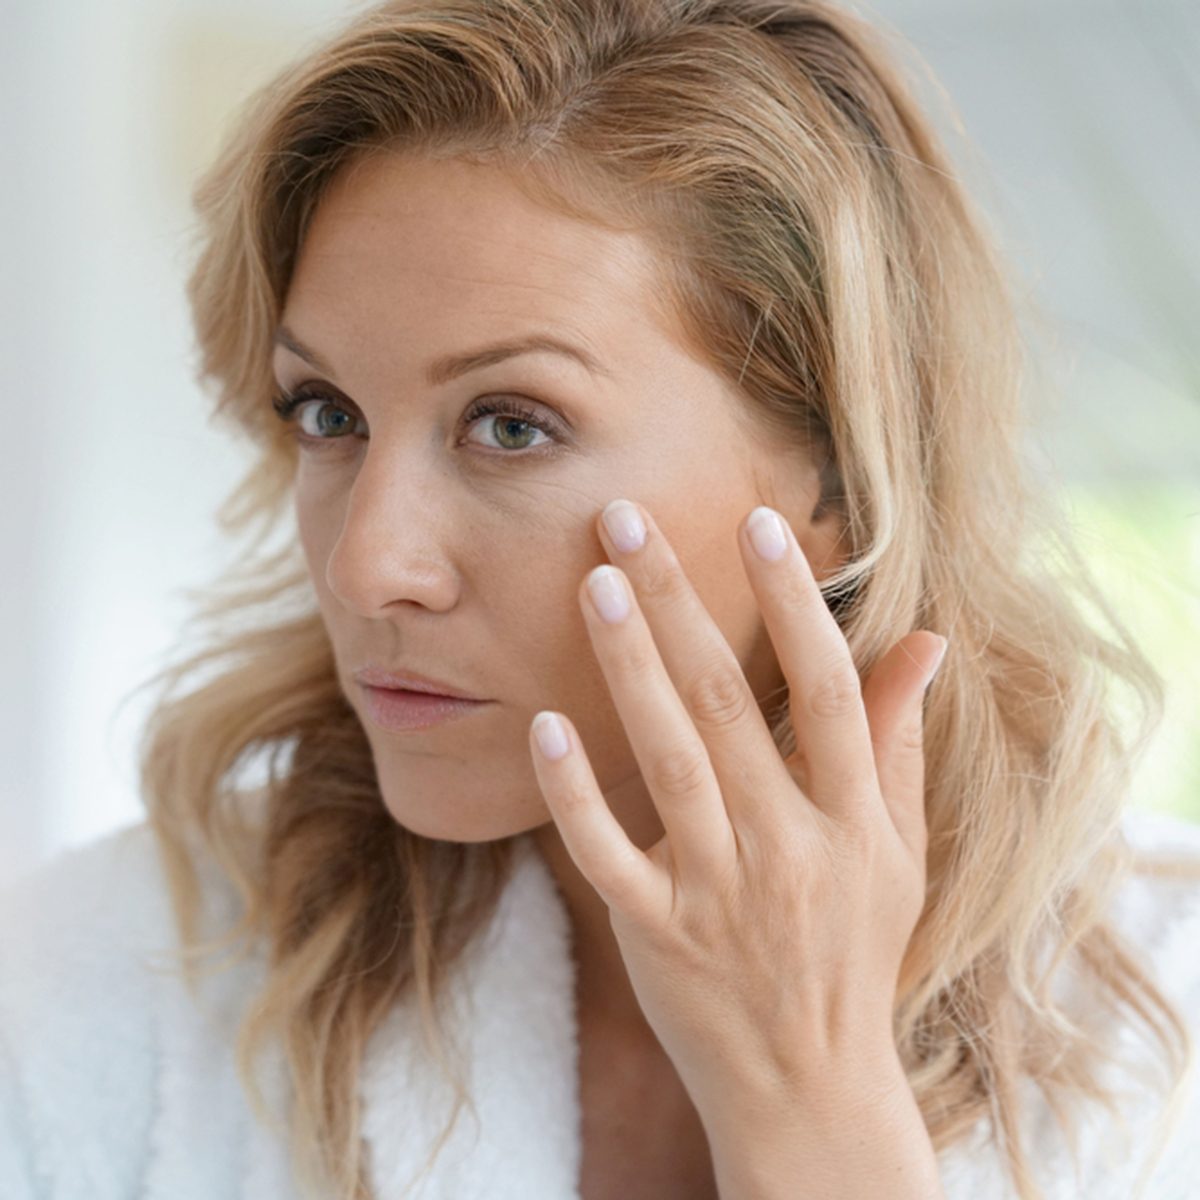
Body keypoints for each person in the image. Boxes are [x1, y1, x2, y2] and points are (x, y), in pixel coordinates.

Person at [2, 0, 1198, 1197]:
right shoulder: (114, 981)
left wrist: (815, 1099)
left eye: (511, 426)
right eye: (328, 413)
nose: (367, 565)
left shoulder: (1163, 1028)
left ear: (839, 477)